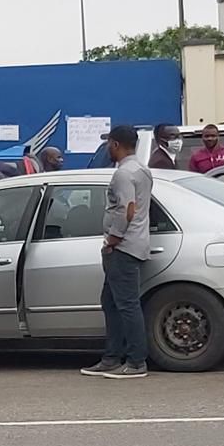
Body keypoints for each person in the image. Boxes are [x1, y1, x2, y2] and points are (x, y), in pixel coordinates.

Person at [80, 125, 152, 380]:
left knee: (127, 305)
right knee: (111, 303)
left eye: (109, 143)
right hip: (134, 244)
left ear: (115, 144)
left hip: (123, 247)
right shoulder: (141, 169)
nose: (107, 148)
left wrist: (113, 239)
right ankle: (111, 357)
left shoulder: (124, 174)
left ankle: (135, 362)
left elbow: (127, 209)